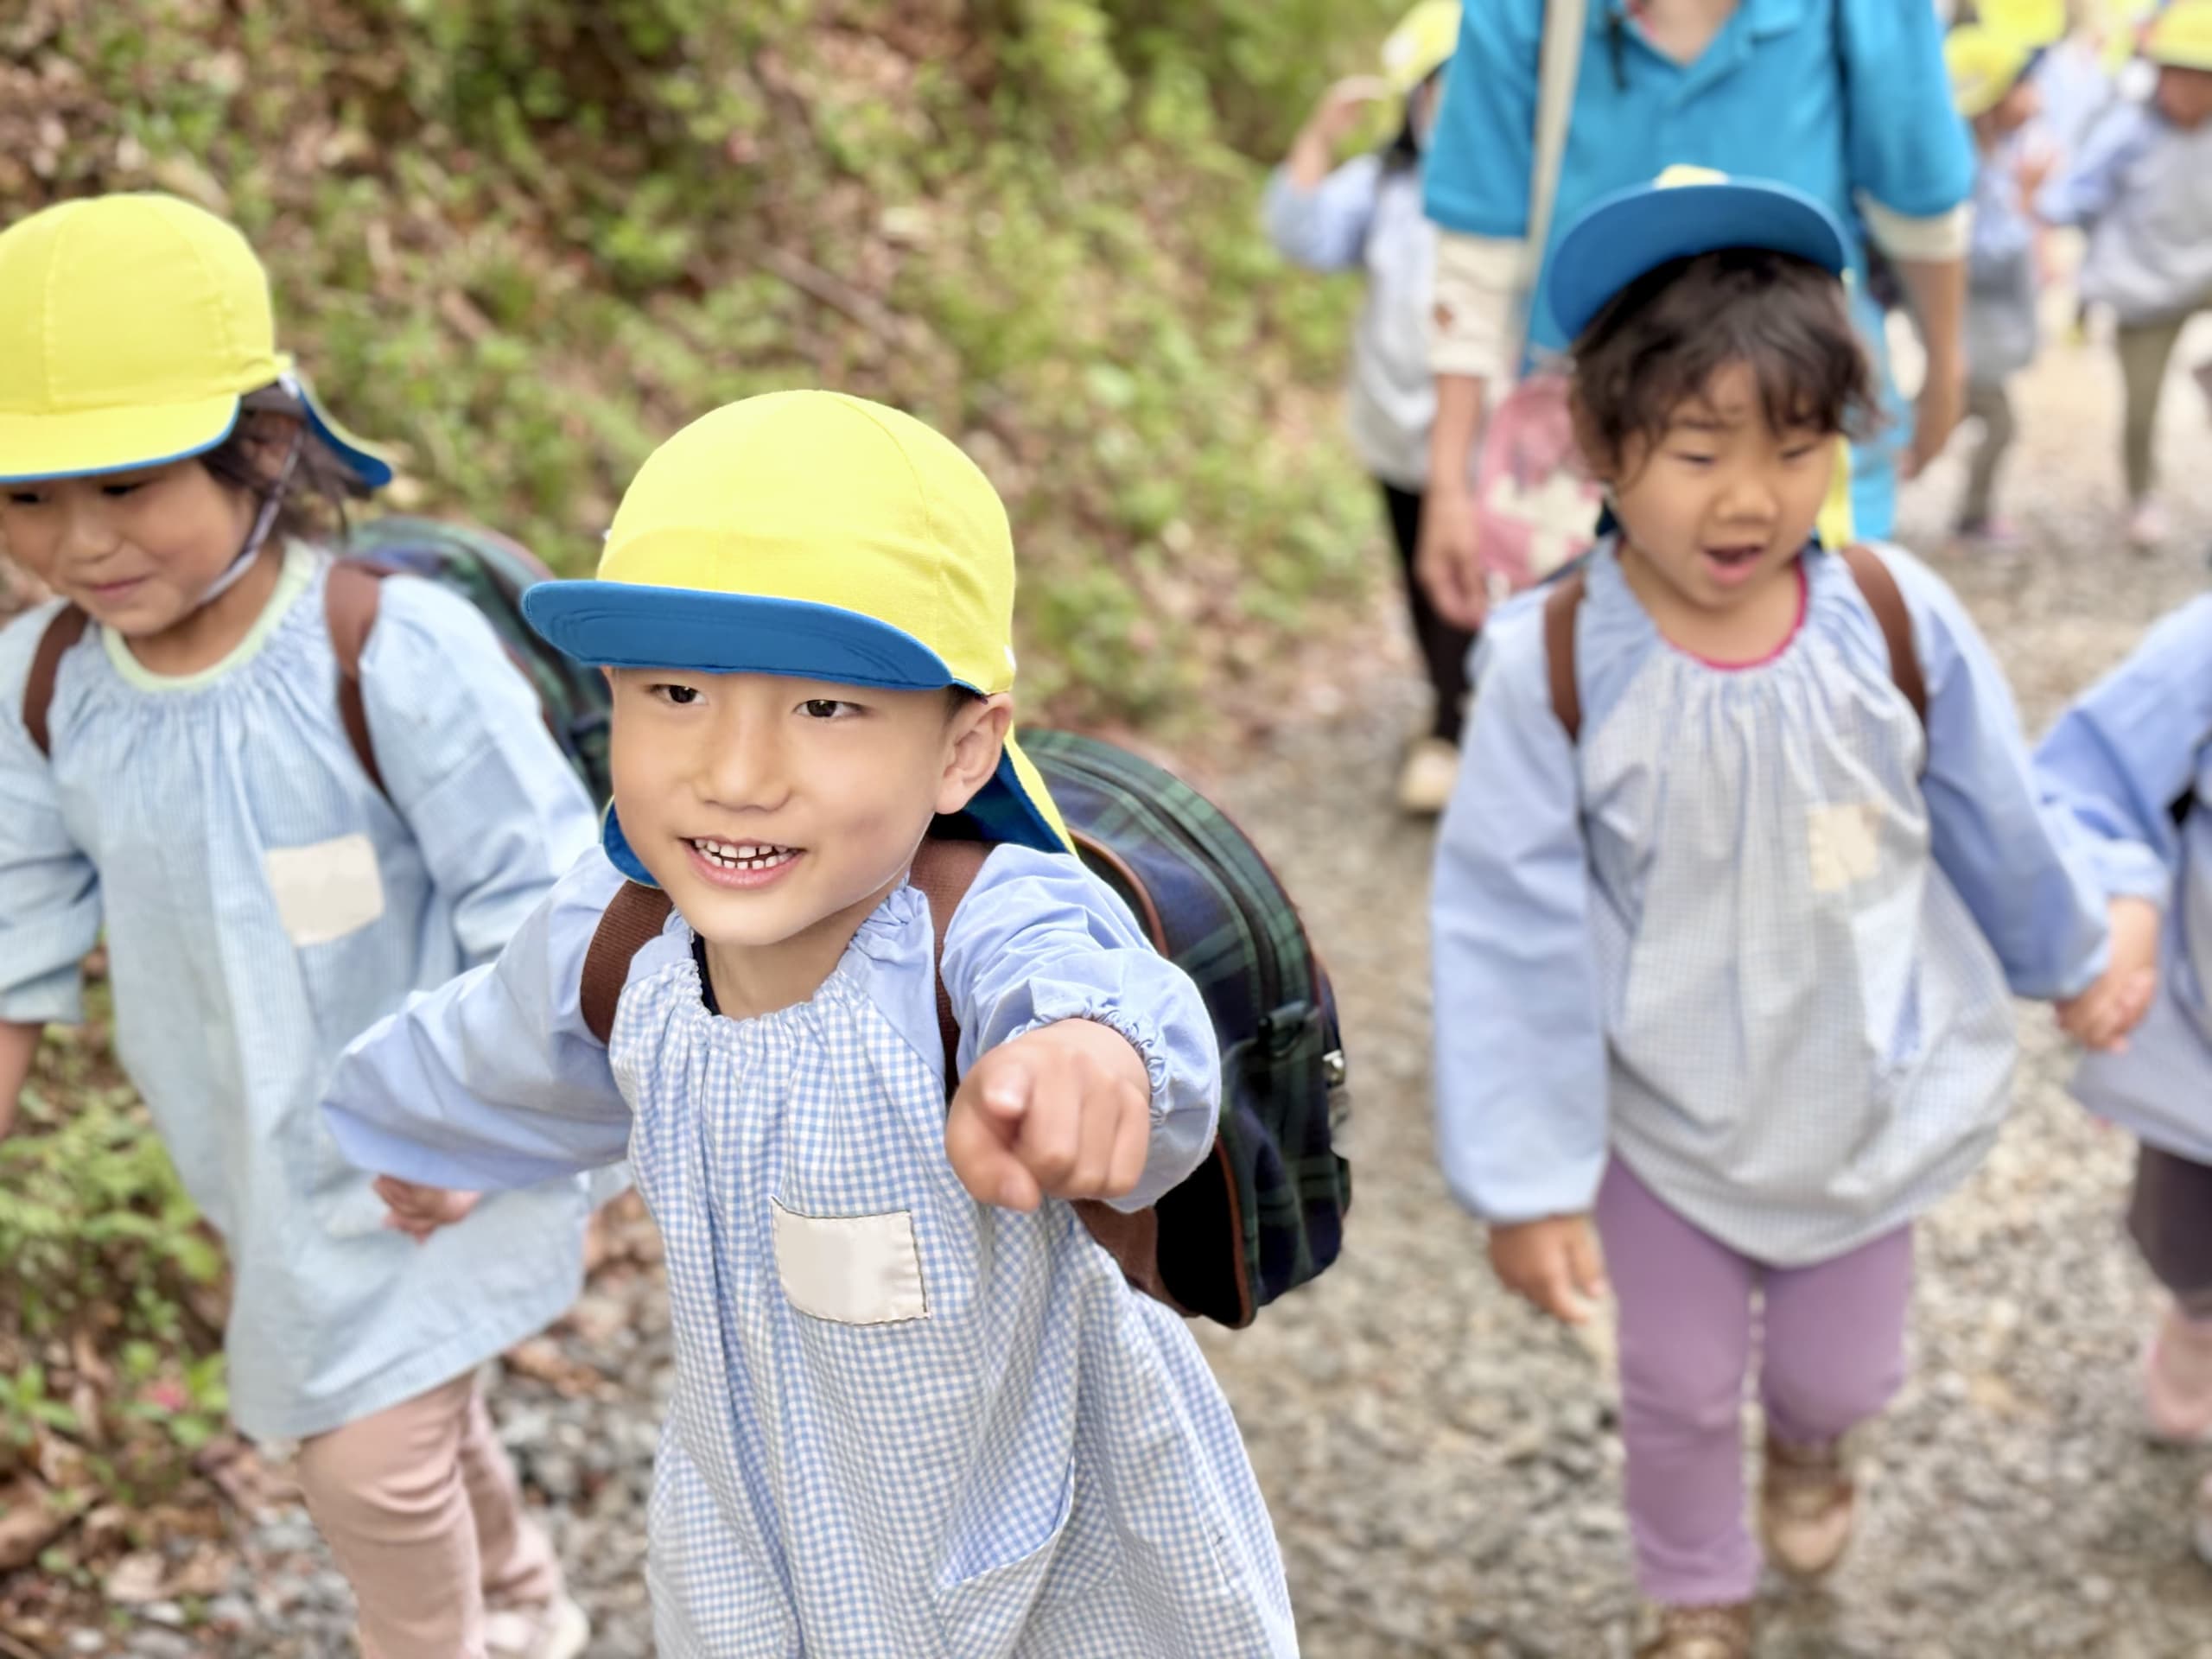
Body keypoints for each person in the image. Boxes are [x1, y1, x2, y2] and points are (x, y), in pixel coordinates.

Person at [318, 391, 1300, 1656]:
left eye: (825, 707)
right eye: (674, 692)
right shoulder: (623, 938)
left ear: (961, 754)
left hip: (1051, 1548)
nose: (733, 770)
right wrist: (427, 1137)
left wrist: (1085, 1057)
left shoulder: (979, 924)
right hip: (758, 1541)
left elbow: (1105, 1000)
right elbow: (499, 1046)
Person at [1428, 172, 2111, 1658]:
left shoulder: (1895, 618)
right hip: (1663, 1116)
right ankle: (1695, 1593)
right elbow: (1506, 928)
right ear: (1603, 449)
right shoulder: (1554, 663)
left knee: (1840, 1377)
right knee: (1672, 1385)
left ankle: (1814, 1445)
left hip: (1860, 1091)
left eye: (1794, 449)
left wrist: (2070, 959)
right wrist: (1527, 1173)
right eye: (1697, 450)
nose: (1748, 497)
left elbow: (1995, 811)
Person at [0, 194, 600, 1658]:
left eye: (128, 484)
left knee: (363, 1464)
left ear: (261, 446)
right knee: (397, 1403)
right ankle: (528, 1598)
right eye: (24, 497)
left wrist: (470, 1121)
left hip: (450, 1137)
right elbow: (10, 946)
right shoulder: (40, 690)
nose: (78, 543)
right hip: (259, 1159)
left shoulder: (389, 649)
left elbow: (548, 904)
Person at [1414, 0, 1976, 631]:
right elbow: (1476, 246)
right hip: (1582, 451)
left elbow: (1920, 204)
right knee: (1590, 664)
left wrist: (1945, 370)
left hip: (1803, 411)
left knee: (1814, 651)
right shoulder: (1522, 13)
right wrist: (1449, 483)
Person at [2036, 596, 2212, 1568]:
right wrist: (2124, 893)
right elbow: (2082, 778)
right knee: (2182, 1238)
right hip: (2198, 1049)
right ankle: (2196, 1313)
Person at [1266, 1, 1470, 813]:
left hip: (1494, 444)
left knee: (1499, 571)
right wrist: (1318, 141)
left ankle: (1492, 721)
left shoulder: (1531, 199)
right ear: (1415, 103)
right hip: (1396, 431)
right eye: (1440, 95)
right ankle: (1450, 717)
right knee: (1426, 575)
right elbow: (1303, 235)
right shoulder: (1384, 188)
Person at [2037, 0, 2212, 548]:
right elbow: (2068, 199)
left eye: (2203, 78)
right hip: (2142, 285)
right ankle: (2142, 498)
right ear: (2159, 75)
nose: (2191, 92)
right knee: (2142, 405)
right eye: (2180, 76)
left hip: (2205, 271)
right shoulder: (2128, 133)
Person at [1949, 24, 2054, 547]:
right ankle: (1971, 515)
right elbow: (1981, 255)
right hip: (1972, 335)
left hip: (1981, 335)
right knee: (1993, 421)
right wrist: (2026, 201)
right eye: (2022, 86)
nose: (2034, 99)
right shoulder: (1969, 167)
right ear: (1989, 98)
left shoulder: (1992, 155)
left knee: (1950, 412)